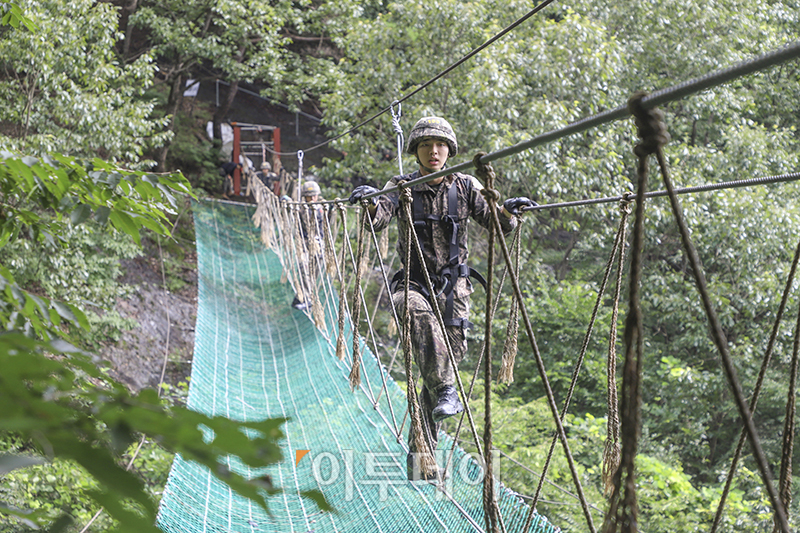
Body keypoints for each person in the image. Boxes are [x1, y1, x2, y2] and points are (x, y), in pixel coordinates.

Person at [348, 116, 534, 481]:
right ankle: (447, 391)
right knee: (421, 331)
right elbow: (379, 217)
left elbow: (497, 224)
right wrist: (369, 202)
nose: (434, 152)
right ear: (415, 151)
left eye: (440, 146)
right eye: (425, 146)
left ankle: (422, 461)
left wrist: (511, 211)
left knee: (443, 365)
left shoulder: (465, 185)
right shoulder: (402, 186)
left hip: (454, 292)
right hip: (413, 285)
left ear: (450, 150)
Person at [291, 179, 326, 310]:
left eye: (314, 196)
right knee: (303, 267)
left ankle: (303, 296)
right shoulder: (300, 209)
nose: (312, 199)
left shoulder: (321, 208)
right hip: (305, 243)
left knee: (314, 271)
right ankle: (305, 297)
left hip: (318, 244)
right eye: (308, 196)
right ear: (304, 197)